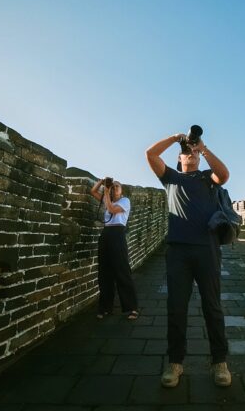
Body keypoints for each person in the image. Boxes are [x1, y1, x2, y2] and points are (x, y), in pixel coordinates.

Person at [146, 132, 232, 388]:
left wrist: (203, 149)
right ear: (179, 157)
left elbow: (224, 175)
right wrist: (175, 138)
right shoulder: (170, 177)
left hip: (207, 249)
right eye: (187, 151)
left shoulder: (208, 178)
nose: (190, 154)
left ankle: (220, 362)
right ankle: (175, 363)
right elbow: (150, 154)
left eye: (193, 151)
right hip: (178, 252)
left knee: (212, 307)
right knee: (176, 308)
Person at [90, 178, 139, 320]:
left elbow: (111, 209)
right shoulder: (107, 199)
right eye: (113, 186)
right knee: (104, 272)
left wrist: (106, 192)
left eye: (117, 186)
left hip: (118, 234)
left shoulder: (125, 201)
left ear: (121, 190)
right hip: (106, 234)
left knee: (122, 270)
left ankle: (132, 308)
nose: (114, 188)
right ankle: (105, 307)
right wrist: (102, 182)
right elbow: (93, 191)